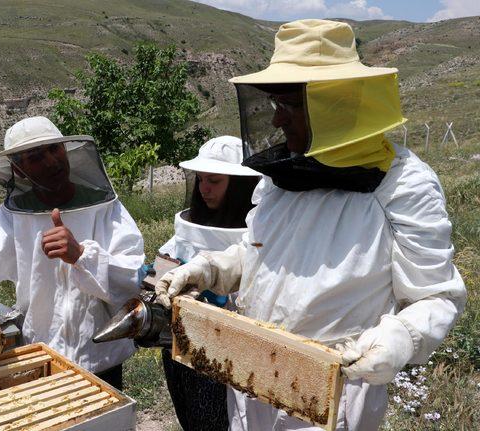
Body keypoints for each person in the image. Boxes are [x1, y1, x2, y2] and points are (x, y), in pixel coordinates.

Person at [155, 19, 466, 430]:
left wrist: (401, 339)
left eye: (290, 106)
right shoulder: (282, 173)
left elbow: (437, 296)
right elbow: (259, 251)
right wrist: (212, 268)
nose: (278, 121)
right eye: (274, 104)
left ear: (333, 103)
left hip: (334, 394)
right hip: (250, 377)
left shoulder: (402, 183)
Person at [0, 116, 144, 389]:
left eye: (54, 149)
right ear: (19, 168)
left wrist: (82, 256)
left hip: (101, 362)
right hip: (41, 357)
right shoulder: (12, 217)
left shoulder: (105, 208)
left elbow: (132, 282)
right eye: (36, 156)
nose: (52, 162)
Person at [158, 136, 261, 431]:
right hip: (178, 346)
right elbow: (171, 256)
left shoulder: (255, 235)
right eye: (201, 179)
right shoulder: (193, 225)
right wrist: (159, 270)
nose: (204, 188)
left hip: (222, 358)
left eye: (214, 181)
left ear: (240, 185)